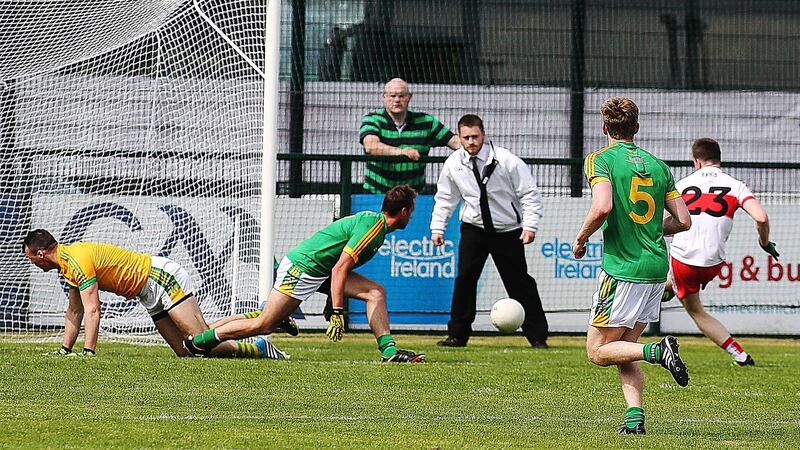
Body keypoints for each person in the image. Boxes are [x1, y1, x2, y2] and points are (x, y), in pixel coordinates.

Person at [184, 185, 426, 363]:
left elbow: (339, 266)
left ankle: (389, 352)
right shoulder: (373, 228)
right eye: (412, 211)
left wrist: (333, 301)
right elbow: (340, 267)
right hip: (304, 268)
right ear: (404, 211)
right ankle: (199, 342)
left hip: (318, 271)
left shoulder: (374, 226)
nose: (412, 216)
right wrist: (338, 312)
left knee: (375, 293)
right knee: (265, 323)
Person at [572, 97, 692, 435]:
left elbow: (603, 206)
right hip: (655, 268)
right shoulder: (658, 166)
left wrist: (581, 238)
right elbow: (683, 221)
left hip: (623, 269)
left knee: (597, 351)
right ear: (636, 128)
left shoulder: (600, 159)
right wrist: (652, 228)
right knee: (623, 349)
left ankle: (658, 350)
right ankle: (634, 421)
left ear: (604, 128)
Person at [22, 229, 290, 359]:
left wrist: (88, 352)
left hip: (161, 277)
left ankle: (260, 345)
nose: (32, 263)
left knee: (199, 342)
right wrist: (65, 350)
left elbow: (92, 310)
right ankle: (263, 316)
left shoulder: (77, 260)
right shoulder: (68, 265)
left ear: (40, 253)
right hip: (147, 291)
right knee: (187, 352)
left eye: (30, 258)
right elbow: (75, 311)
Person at [430, 114, 549, 348]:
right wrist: (437, 228)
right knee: (464, 279)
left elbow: (530, 194)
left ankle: (538, 337)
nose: (471, 141)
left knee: (520, 283)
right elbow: (445, 198)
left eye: (475, 136)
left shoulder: (507, 160)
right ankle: (457, 335)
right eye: (466, 137)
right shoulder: (454, 163)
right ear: (460, 137)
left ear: (483, 135)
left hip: (508, 231)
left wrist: (530, 225)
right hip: (474, 229)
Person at [662, 137, 779, 366]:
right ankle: (668, 285)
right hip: (713, 264)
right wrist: (764, 242)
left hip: (683, 261)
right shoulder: (735, 186)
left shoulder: (683, 185)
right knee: (676, 282)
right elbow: (761, 218)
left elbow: (665, 222)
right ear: (719, 159)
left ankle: (740, 355)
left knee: (696, 311)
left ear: (696, 161)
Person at [360, 78, 461, 194]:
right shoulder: (372, 119)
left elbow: (455, 142)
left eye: (402, 96)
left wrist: (476, 144)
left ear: (409, 97)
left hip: (413, 196)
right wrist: (402, 152)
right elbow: (371, 146)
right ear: (384, 97)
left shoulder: (427, 122)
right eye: (392, 96)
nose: (397, 100)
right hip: (376, 194)